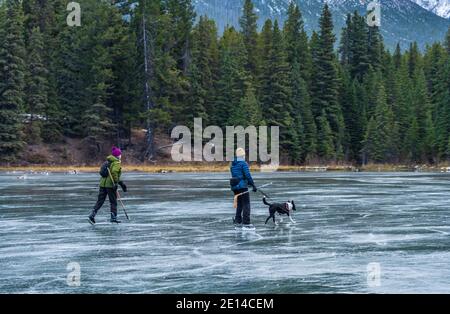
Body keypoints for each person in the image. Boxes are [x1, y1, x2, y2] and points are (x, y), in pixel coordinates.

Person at [88, 147, 127, 224]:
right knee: (113, 202)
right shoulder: (116, 163)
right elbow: (114, 173)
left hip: (102, 184)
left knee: (100, 201)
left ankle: (92, 215)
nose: (120, 156)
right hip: (110, 185)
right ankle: (113, 218)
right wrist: (117, 183)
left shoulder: (107, 162)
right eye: (120, 154)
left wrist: (119, 183)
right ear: (118, 155)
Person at [230, 148, 257, 229]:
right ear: (243, 155)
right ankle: (246, 223)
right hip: (241, 186)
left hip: (235, 186)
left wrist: (248, 183)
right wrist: (253, 184)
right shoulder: (243, 163)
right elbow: (247, 175)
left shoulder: (233, 164)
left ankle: (238, 220)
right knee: (246, 204)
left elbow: (237, 175)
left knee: (240, 204)